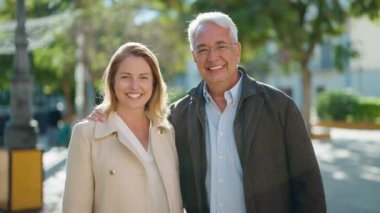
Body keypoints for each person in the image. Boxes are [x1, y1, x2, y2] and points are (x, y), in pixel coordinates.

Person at [89, 12, 326, 213]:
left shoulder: (279, 107)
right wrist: (107, 114)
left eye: (221, 46)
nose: (212, 57)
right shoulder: (177, 116)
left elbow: (309, 188)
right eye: (202, 49)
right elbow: (138, 133)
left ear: (237, 50)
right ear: (194, 57)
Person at [62, 42, 182, 213]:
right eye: (125, 77)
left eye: (143, 77)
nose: (135, 86)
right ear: (112, 82)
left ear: (154, 83)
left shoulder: (167, 131)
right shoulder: (87, 134)